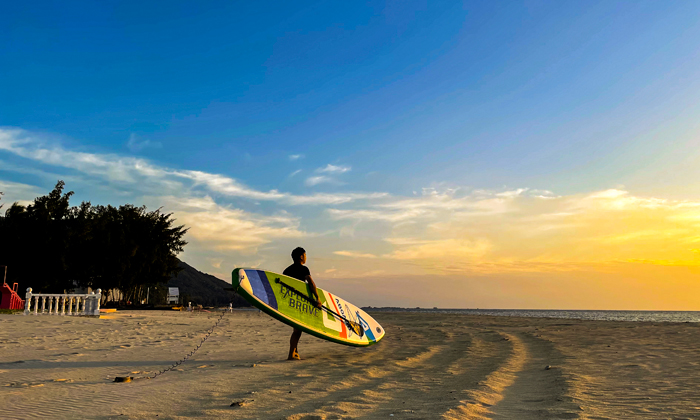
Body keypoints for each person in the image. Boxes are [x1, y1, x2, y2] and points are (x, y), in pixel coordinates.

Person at [283, 247, 322, 360]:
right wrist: (317, 298)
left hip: (289, 302)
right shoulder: (303, 269)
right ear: (301, 256)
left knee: (297, 330)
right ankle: (292, 354)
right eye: (305, 255)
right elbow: (311, 283)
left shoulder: (286, 271)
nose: (306, 257)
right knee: (297, 330)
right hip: (299, 303)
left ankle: (294, 352)